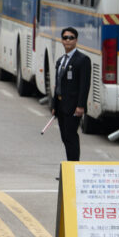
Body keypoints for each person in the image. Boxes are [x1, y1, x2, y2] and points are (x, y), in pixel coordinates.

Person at [51, 27, 91, 162]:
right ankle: (70, 166)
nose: (68, 40)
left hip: (73, 106)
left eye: (71, 38)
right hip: (61, 105)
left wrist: (81, 106)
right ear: (62, 40)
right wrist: (54, 105)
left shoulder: (83, 60)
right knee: (65, 137)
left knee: (71, 136)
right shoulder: (61, 60)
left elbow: (84, 85)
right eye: (65, 38)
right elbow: (58, 84)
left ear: (76, 40)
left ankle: (74, 166)